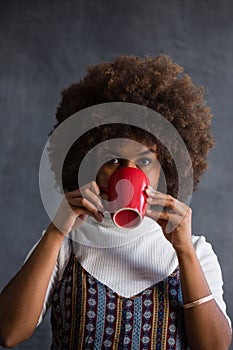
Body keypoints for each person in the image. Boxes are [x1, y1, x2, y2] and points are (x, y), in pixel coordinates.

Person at [0, 54, 232, 349]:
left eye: (145, 160)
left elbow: (215, 347)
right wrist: (56, 231)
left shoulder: (195, 251)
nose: (128, 173)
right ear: (88, 163)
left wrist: (183, 250)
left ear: (166, 168)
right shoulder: (64, 245)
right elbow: (8, 332)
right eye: (112, 160)